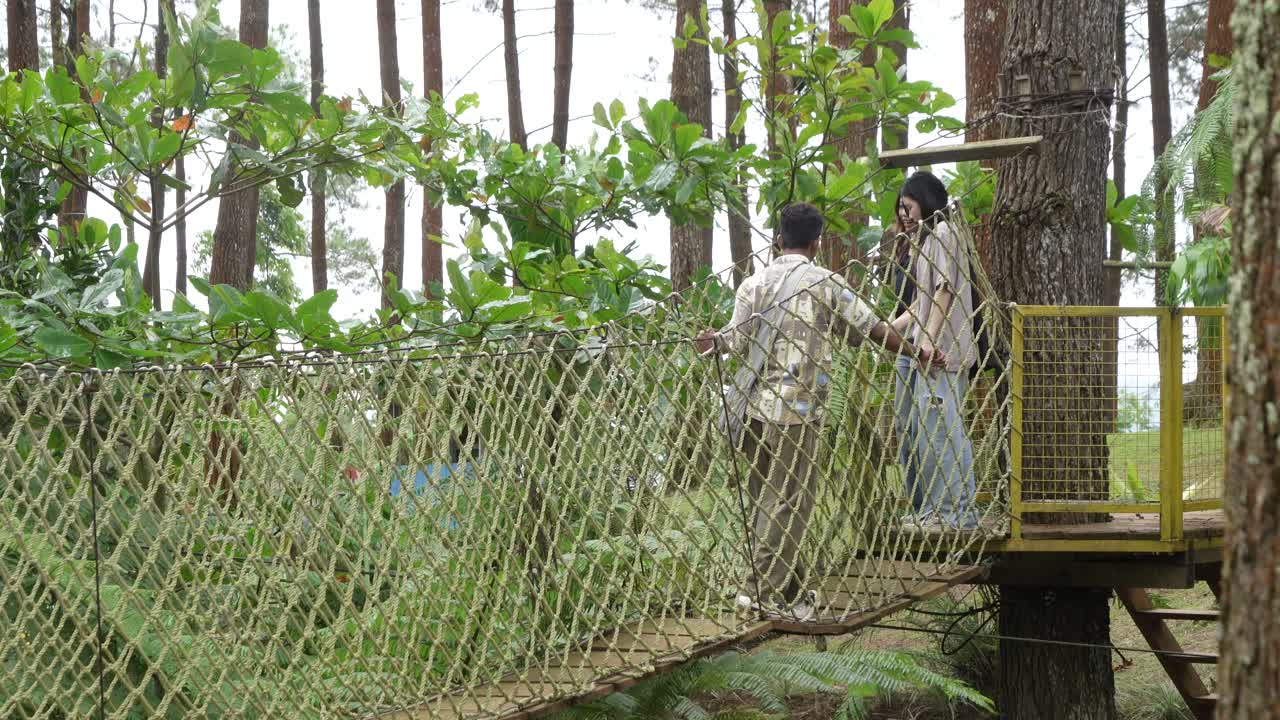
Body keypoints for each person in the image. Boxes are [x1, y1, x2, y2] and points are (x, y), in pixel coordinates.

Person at [695, 202, 942, 621]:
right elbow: (874, 329)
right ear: (816, 242)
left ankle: (795, 596)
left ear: (778, 239)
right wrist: (918, 352)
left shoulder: (753, 285)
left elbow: (730, 342)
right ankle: (756, 593)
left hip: (752, 413)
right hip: (797, 414)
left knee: (765, 505)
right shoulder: (827, 283)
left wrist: (711, 341)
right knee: (792, 503)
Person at [887, 171, 984, 533]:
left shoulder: (945, 233)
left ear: (924, 200)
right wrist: (883, 328)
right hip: (917, 349)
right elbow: (918, 305)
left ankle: (956, 513)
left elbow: (945, 291)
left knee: (941, 429)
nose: (903, 213)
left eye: (907, 205)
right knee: (912, 429)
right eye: (899, 208)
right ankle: (927, 508)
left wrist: (929, 342)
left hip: (941, 351)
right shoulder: (919, 245)